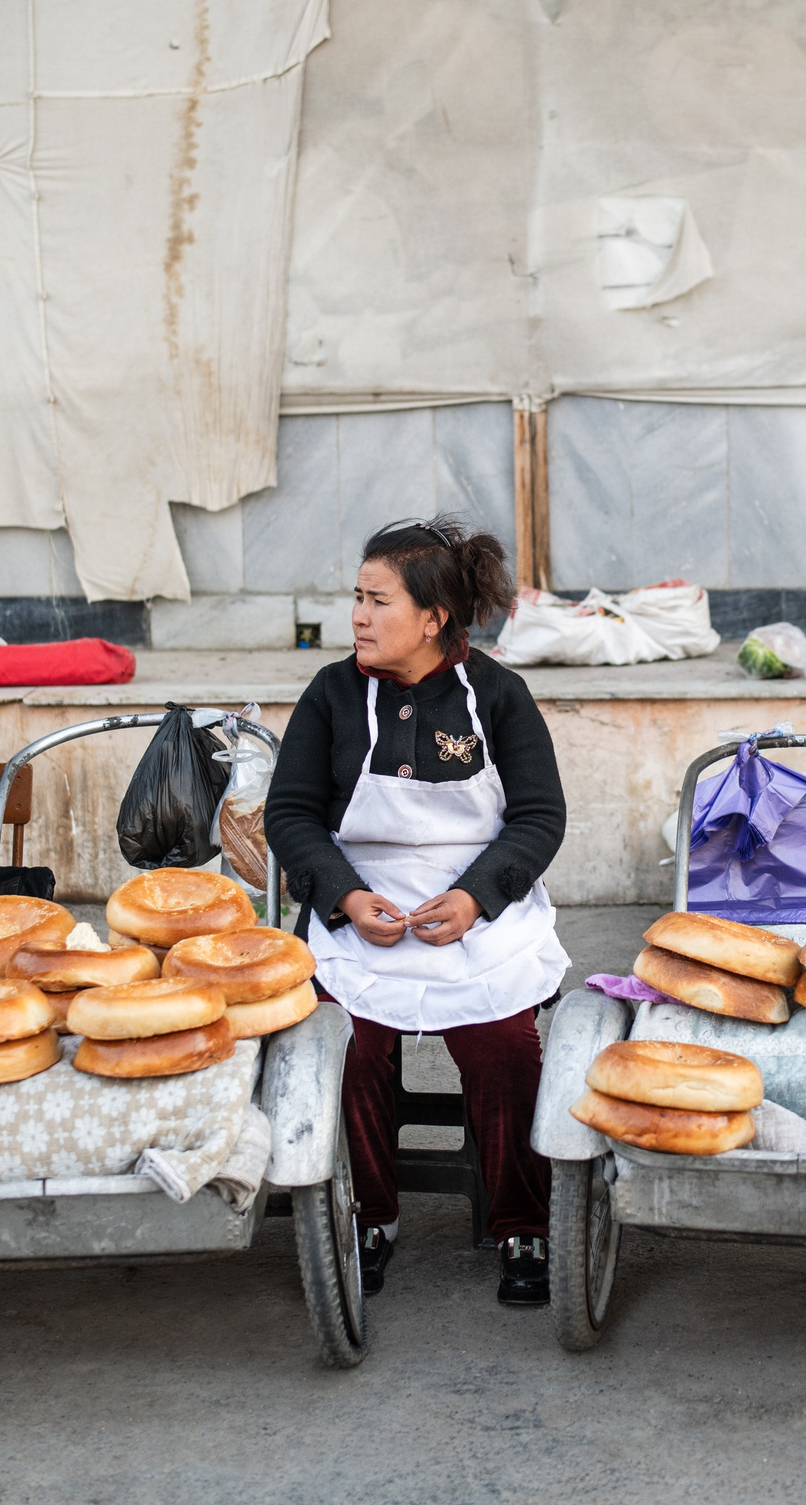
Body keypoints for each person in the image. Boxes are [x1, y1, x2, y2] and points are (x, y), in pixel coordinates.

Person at [265, 517, 570, 1306]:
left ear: (433, 619)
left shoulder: (498, 696)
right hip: (362, 902)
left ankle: (523, 1222)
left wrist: (476, 896)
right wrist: (341, 893)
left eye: (377, 601)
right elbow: (292, 814)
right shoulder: (332, 694)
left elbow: (538, 817)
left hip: (477, 902)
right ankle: (369, 1215)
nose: (358, 617)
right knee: (348, 1044)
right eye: (356, 599)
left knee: (506, 1043)